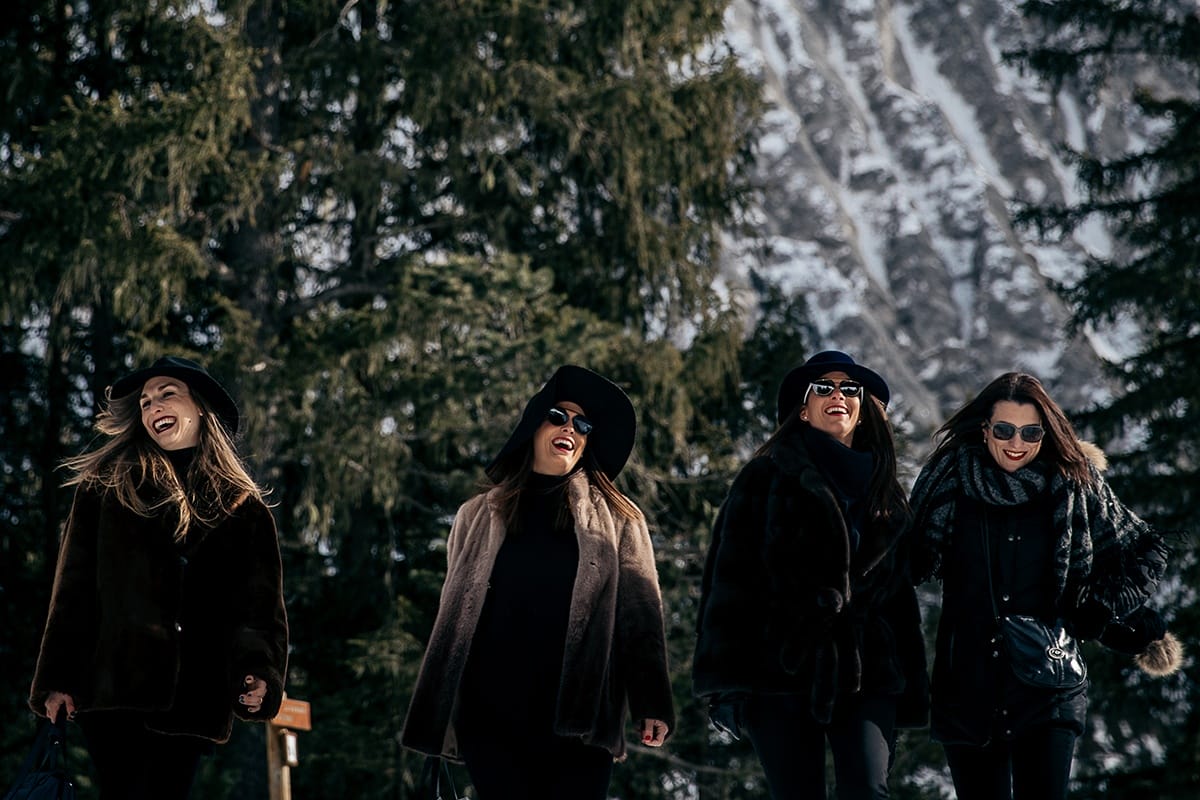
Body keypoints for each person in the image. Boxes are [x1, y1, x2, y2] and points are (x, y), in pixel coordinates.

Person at [400, 365, 674, 800]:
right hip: (489, 715)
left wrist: (652, 701)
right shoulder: (477, 515)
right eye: (559, 415)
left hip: (578, 720)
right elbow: (452, 620)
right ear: (532, 424)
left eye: (583, 424)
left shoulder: (621, 520)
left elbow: (640, 619)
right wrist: (441, 709)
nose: (571, 428)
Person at [907, 372, 1182, 800]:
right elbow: (905, 560)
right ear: (984, 430)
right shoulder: (948, 480)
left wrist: (1102, 605)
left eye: (1031, 432)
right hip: (967, 686)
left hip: (1049, 682)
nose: (1017, 442)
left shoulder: (1074, 480)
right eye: (1004, 430)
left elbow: (1146, 549)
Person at [28, 356, 289, 800]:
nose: (153, 407)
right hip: (116, 688)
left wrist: (258, 670)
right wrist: (57, 679)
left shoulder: (244, 509)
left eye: (167, 394)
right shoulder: (106, 488)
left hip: (194, 694)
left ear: (201, 408)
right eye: (146, 402)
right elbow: (71, 593)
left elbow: (259, 607)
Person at [694, 350, 930, 800]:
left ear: (863, 410)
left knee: (867, 789)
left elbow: (901, 605)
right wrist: (725, 686)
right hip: (779, 667)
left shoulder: (888, 494)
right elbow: (729, 583)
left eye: (849, 389)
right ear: (803, 409)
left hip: (868, 672)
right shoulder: (764, 477)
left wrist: (910, 692)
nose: (837, 395)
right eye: (823, 387)